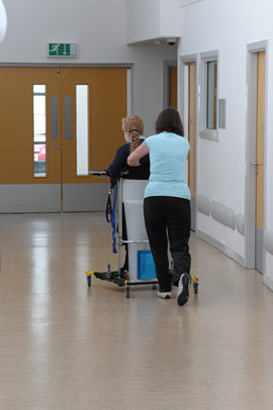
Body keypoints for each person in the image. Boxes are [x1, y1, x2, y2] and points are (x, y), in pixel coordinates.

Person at [127, 107, 191, 306]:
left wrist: (142, 164)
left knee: (158, 245)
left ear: (159, 123)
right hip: (180, 197)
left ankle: (164, 289)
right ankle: (181, 274)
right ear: (178, 124)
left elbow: (131, 159)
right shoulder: (184, 143)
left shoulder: (152, 141)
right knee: (179, 244)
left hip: (154, 196)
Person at [106, 114, 150, 275]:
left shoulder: (124, 150)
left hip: (129, 203)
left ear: (125, 132)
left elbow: (112, 170)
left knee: (127, 232)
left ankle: (128, 267)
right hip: (150, 201)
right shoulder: (151, 147)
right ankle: (144, 269)